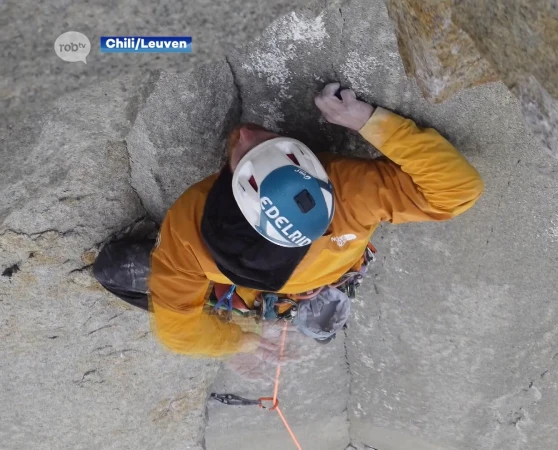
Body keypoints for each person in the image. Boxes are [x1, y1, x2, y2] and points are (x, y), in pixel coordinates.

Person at [96, 82, 483, 358]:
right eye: (263, 148)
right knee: (321, 324)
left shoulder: (186, 236)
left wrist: (239, 342)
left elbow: (178, 334)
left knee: (112, 269)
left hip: (272, 284)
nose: (245, 133)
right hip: (336, 263)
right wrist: (365, 119)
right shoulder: (348, 193)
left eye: (249, 155)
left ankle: (292, 313)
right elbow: (458, 190)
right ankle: (304, 312)